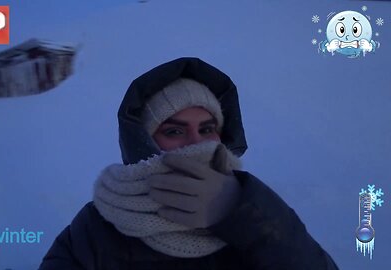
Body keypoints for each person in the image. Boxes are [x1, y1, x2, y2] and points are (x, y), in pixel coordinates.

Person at [38, 57, 339, 269]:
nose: (197, 143)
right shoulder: (98, 225)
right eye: (174, 131)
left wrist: (239, 212)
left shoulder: (256, 209)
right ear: (142, 143)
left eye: (207, 129)